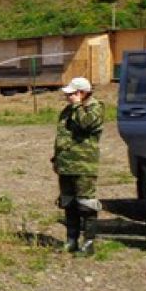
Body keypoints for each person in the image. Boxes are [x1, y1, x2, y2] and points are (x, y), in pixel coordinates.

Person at [52, 77, 104, 254]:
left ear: (81, 93)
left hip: (84, 164)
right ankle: (71, 240)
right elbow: (62, 137)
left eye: (71, 94)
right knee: (68, 202)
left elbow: (86, 124)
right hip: (66, 163)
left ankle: (88, 243)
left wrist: (77, 106)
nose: (68, 97)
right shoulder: (67, 110)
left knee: (86, 204)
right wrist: (56, 159)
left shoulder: (95, 108)